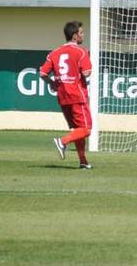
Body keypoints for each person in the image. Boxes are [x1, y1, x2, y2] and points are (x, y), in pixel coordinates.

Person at [39, 21, 93, 169]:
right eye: (81, 33)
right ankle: (62, 142)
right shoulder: (81, 52)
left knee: (78, 130)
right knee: (86, 129)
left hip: (63, 96)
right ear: (75, 36)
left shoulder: (54, 53)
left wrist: (51, 83)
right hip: (77, 94)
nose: (83, 35)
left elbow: (42, 73)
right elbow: (86, 73)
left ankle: (83, 161)